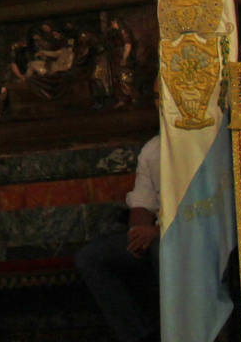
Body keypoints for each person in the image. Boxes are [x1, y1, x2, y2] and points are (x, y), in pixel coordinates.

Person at [75, 136, 160, 342]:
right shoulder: (154, 149)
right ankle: (138, 335)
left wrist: (158, 232)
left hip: (184, 237)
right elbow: (142, 200)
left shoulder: (203, 145)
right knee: (91, 258)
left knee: (162, 249)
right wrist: (137, 232)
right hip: (154, 231)